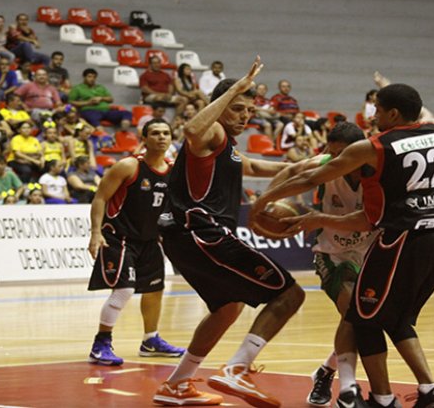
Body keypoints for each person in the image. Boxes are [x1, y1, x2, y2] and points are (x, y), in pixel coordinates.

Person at [252, 83, 434, 408]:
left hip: (402, 239)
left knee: (363, 317)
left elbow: (312, 183)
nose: (371, 114)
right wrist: (318, 218)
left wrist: (264, 200)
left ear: (392, 113)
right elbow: (360, 212)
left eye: (376, 108)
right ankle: (431, 391)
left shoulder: (373, 148)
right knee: (391, 318)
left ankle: (380, 398)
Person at [153, 58, 305, 407]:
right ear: (220, 107)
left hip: (184, 236)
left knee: (228, 307)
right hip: (201, 231)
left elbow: (253, 165)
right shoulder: (211, 132)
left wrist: (305, 168)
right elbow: (191, 130)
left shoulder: (227, 146)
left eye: (249, 111)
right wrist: (235, 87)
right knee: (290, 295)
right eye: (238, 108)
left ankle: (176, 384)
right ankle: (236, 369)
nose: (244, 116)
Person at [274, 122, 377, 407]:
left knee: (363, 320)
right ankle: (348, 389)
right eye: (332, 154)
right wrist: (264, 202)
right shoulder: (325, 164)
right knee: (353, 312)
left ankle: (325, 371)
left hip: (369, 252)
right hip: (331, 252)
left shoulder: (380, 172)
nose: (337, 161)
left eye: (342, 154)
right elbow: (290, 171)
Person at [87, 118, 185, 366]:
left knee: (154, 290)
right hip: (118, 237)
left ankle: (150, 340)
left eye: (166, 133)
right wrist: (95, 233)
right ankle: (101, 343)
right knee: (124, 290)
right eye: (155, 133)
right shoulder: (128, 166)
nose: (161, 137)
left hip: (150, 240)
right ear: (144, 138)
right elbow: (100, 198)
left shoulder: (174, 171)